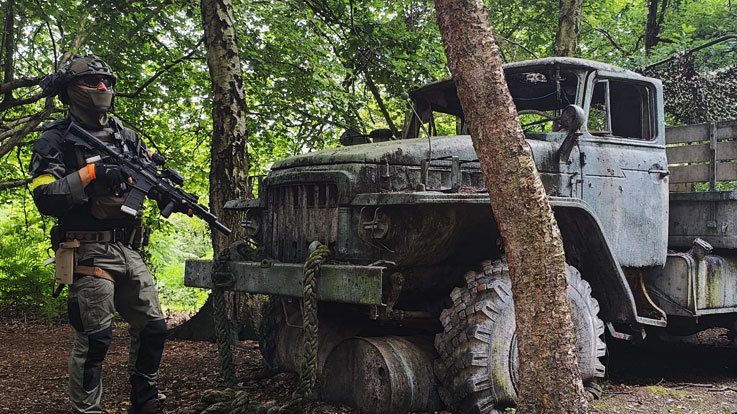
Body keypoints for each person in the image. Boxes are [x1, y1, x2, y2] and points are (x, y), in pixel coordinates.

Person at [29, 54, 166, 414]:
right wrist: (91, 175)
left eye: (107, 82)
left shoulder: (126, 135)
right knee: (95, 340)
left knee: (153, 327)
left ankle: (145, 401)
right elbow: (45, 197)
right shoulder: (55, 138)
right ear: (71, 91)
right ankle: (88, 411)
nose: (102, 88)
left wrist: (163, 190)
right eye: (92, 82)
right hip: (85, 249)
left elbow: (146, 181)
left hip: (127, 248)